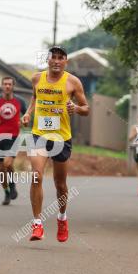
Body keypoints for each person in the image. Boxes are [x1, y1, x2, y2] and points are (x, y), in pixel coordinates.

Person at [21, 46, 90, 242]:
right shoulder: (37, 79)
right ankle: (37, 224)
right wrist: (28, 113)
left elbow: (86, 109)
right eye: (54, 57)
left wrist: (75, 107)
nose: (57, 61)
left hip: (61, 138)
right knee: (36, 176)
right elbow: (35, 97)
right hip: (39, 135)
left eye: (61, 58)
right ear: (48, 60)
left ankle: (62, 217)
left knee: (60, 184)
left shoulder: (72, 82)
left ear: (65, 62)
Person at [0, 76, 28, 205]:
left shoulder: (20, 101)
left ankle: (12, 185)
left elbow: (27, 115)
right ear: (2, 86)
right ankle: (7, 192)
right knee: (1, 169)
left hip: (13, 137)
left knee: (8, 163)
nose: (7, 86)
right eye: (5, 84)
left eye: (9, 84)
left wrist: (24, 120)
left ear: (13, 86)